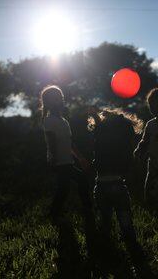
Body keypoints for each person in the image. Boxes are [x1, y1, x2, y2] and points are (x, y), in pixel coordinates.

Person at [88, 107, 151, 277]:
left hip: (100, 186)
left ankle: (106, 248)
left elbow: (99, 132)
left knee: (105, 220)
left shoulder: (100, 140)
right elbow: (128, 166)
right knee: (125, 221)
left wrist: (95, 115)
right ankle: (132, 247)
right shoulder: (120, 147)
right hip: (117, 185)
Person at [40, 84, 95, 244]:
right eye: (54, 99)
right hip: (59, 162)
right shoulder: (49, 120)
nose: (59, 101)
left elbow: (70, 144)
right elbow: (51, 142)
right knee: (67, 186)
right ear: (48, 103)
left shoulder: (64, 121)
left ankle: (75, 209)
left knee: (69, 186)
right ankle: (59, 212)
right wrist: (54, 159)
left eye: (60, 98)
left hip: (67, 161)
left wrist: (81, 158)